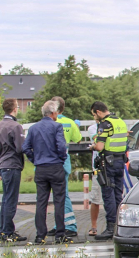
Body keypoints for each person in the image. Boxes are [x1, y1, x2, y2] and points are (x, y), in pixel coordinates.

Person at [22, 100, 68, 244]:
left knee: (41, 202)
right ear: (54, 113)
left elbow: (25, 147)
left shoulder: (34, 128)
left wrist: (35, 159)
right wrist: (62, 158)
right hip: (55, 166)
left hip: (41, 168)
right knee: (59, 200)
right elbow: (61, 146)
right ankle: (60, 234)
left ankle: (40, 235)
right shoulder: (57, 126)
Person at [90, 101, 128, 241]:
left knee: (108, 195)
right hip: (120, 161)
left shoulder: (105, 124)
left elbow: (100, 146)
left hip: (108, 163)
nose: (95, 117)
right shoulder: (120, 122)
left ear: (98, 112)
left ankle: (110, 227)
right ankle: (120, 226)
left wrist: (92, 147)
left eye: (94, 114)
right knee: (118, 194)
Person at [47, 96, 81, 238]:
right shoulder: (69, 123)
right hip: (64, 160)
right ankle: (60, 224)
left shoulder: (50, 122)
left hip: (50, 160)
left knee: (60, 195)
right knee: (61, 194)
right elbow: (77, 139)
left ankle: (69, 225)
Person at [0, 98, 27, 242]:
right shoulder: (16, 126)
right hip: (13, 165)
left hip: (3, 165)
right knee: (11, 199)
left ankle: (3, 229)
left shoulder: (0, 124)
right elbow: (20, 147)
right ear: (15, 109)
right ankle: (8, 232)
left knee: (5, 199)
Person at [86, 121, 103, 236]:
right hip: (98, 168)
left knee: (113, 199)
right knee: (95, 198)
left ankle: (113, 226)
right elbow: (97, 140)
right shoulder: (93, 128)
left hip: (111, 166)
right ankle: (94, 226)